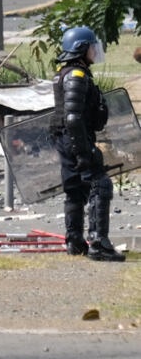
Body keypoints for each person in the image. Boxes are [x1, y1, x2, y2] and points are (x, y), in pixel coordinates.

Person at [50, 26, 124, 262]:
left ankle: (75, 241)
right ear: (81, 49)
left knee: (75, 190)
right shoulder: (76, 76)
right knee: (100, 185)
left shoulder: (66, 72)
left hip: (66, 139)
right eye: (92, 46)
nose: (94, 51)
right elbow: (73, 118)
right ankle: (98, 243)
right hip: (75, 139)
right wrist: (84, 151)